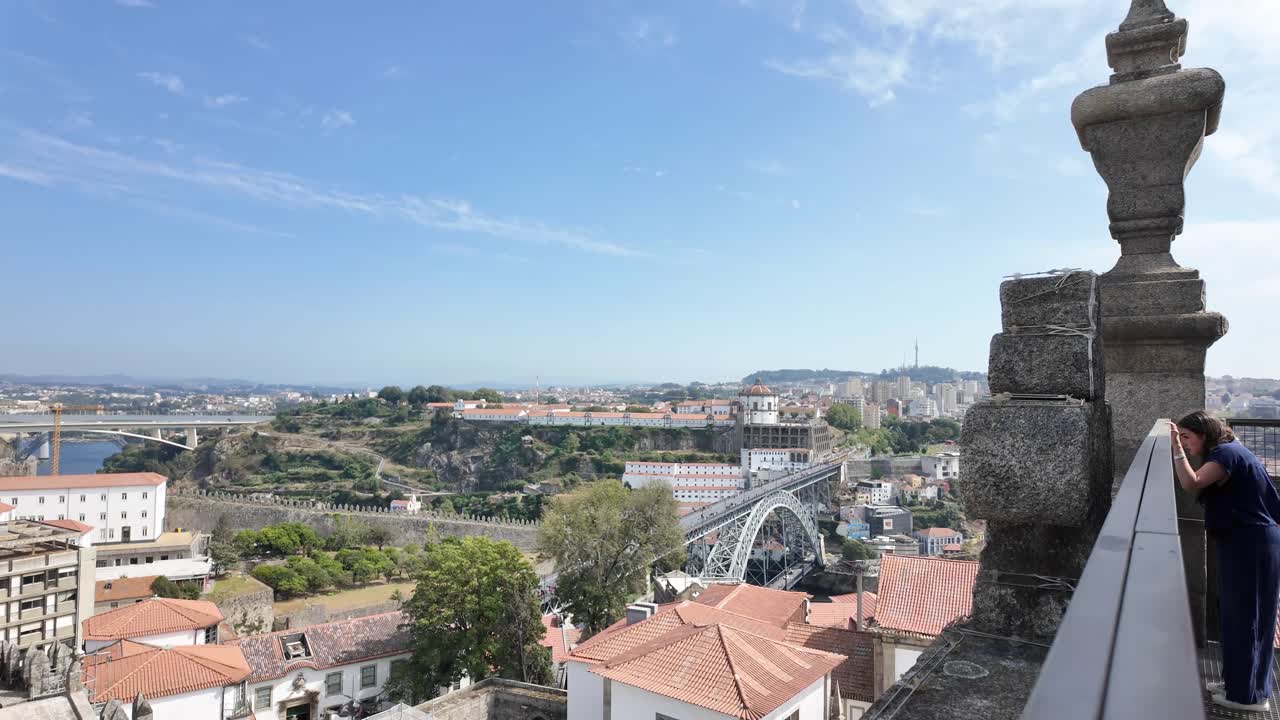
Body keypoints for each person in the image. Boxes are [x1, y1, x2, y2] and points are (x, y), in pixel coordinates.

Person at [1172, 411, 1280, 712]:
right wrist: (1181, 445)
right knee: (1234, 615)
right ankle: (1236, 682)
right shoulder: (1229, 451)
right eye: (1181, 438)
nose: (1184, 443)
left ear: (1203, 434)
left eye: (1187, 437)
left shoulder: (1226, 454)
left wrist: (1175, 450)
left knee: (1249, 616)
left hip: (1252, 543)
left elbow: (1191, 483)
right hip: (1244, 541)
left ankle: (1250, 695)